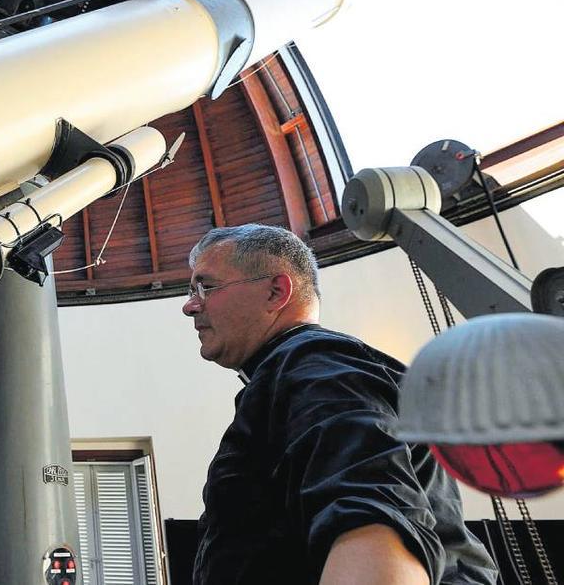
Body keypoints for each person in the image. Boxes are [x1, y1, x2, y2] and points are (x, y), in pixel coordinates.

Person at [182, 224, 497, 584]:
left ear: (275, 291)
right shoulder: (296, 375)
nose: (189, 306)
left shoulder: (313, 365)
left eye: (205, 287)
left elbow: (372, 514)